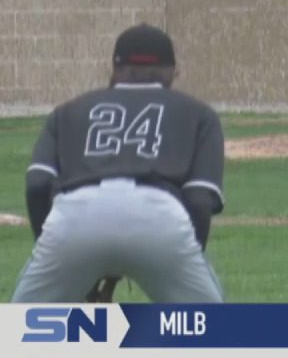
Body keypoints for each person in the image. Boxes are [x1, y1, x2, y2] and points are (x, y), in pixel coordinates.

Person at [11, 24, 225, 302]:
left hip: (75, 218)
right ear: (173, 71)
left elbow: (38, 184)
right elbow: (198, 200)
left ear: (112, 68)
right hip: (159, 217)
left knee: (18, 337)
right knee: (214, 337)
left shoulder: (66, 112)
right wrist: (185, 263)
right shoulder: (200, 114)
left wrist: (64, 261)